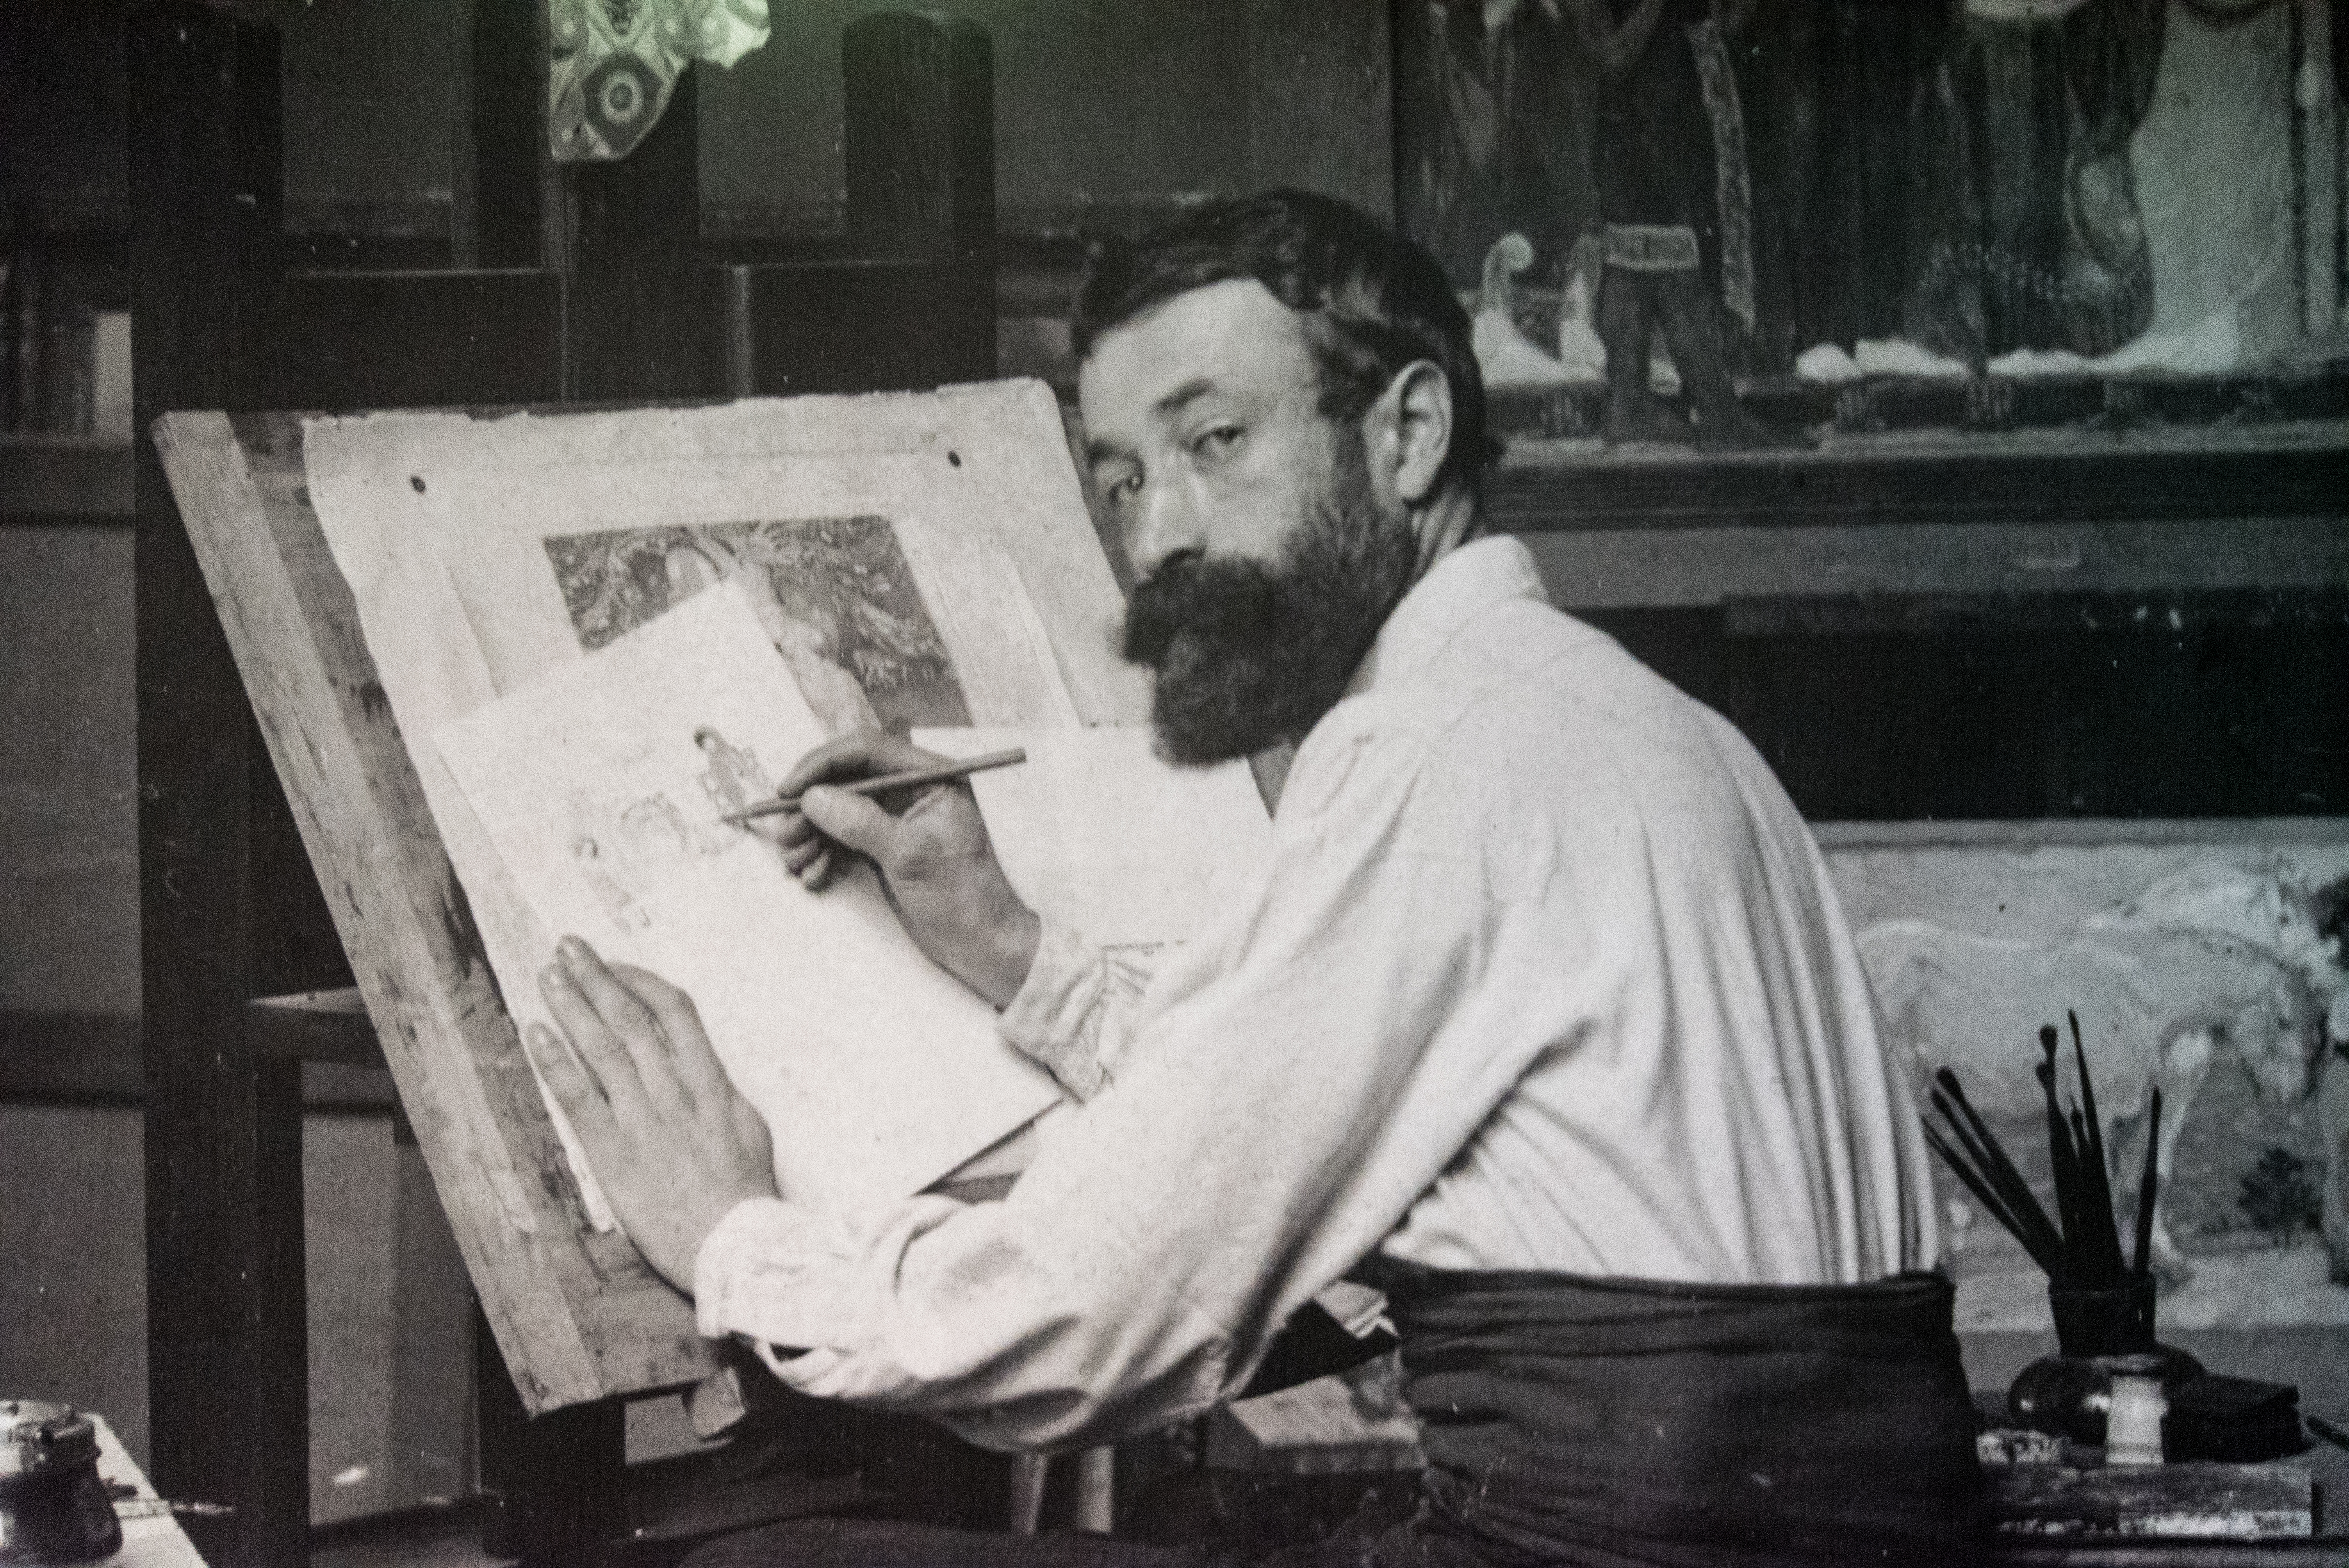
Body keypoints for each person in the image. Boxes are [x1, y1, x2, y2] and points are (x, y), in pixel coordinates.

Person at [527, 191, 1983, 1566]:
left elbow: (1096, 1311)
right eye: (1119, 479)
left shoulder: (1441, 754)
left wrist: (737, 1241)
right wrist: (1005, 941)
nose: (1157, 534)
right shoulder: (1630, 721)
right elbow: (1307, 1093)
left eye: (1214, 442)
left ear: (1409, 433)